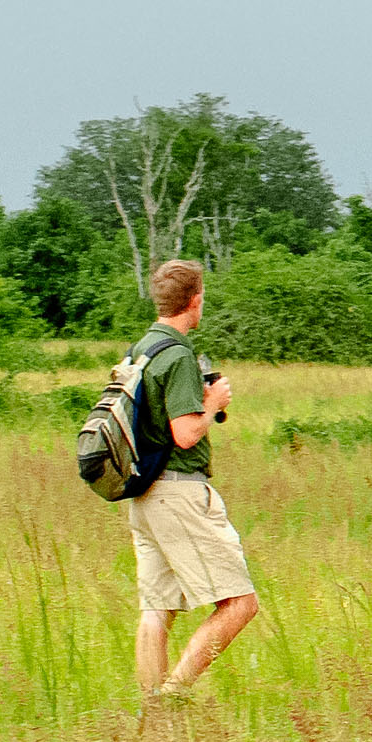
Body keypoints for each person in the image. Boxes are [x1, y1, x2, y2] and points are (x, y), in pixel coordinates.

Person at [125, 259, 259, 705]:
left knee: (156, 607)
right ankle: (173, 696)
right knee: (240, 604)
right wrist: (213, 402)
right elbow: (185, 433)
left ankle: (150, 707)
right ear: (195, 300)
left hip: (141, 492)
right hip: (177, 490)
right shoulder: (179, 353)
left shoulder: (141, 348)